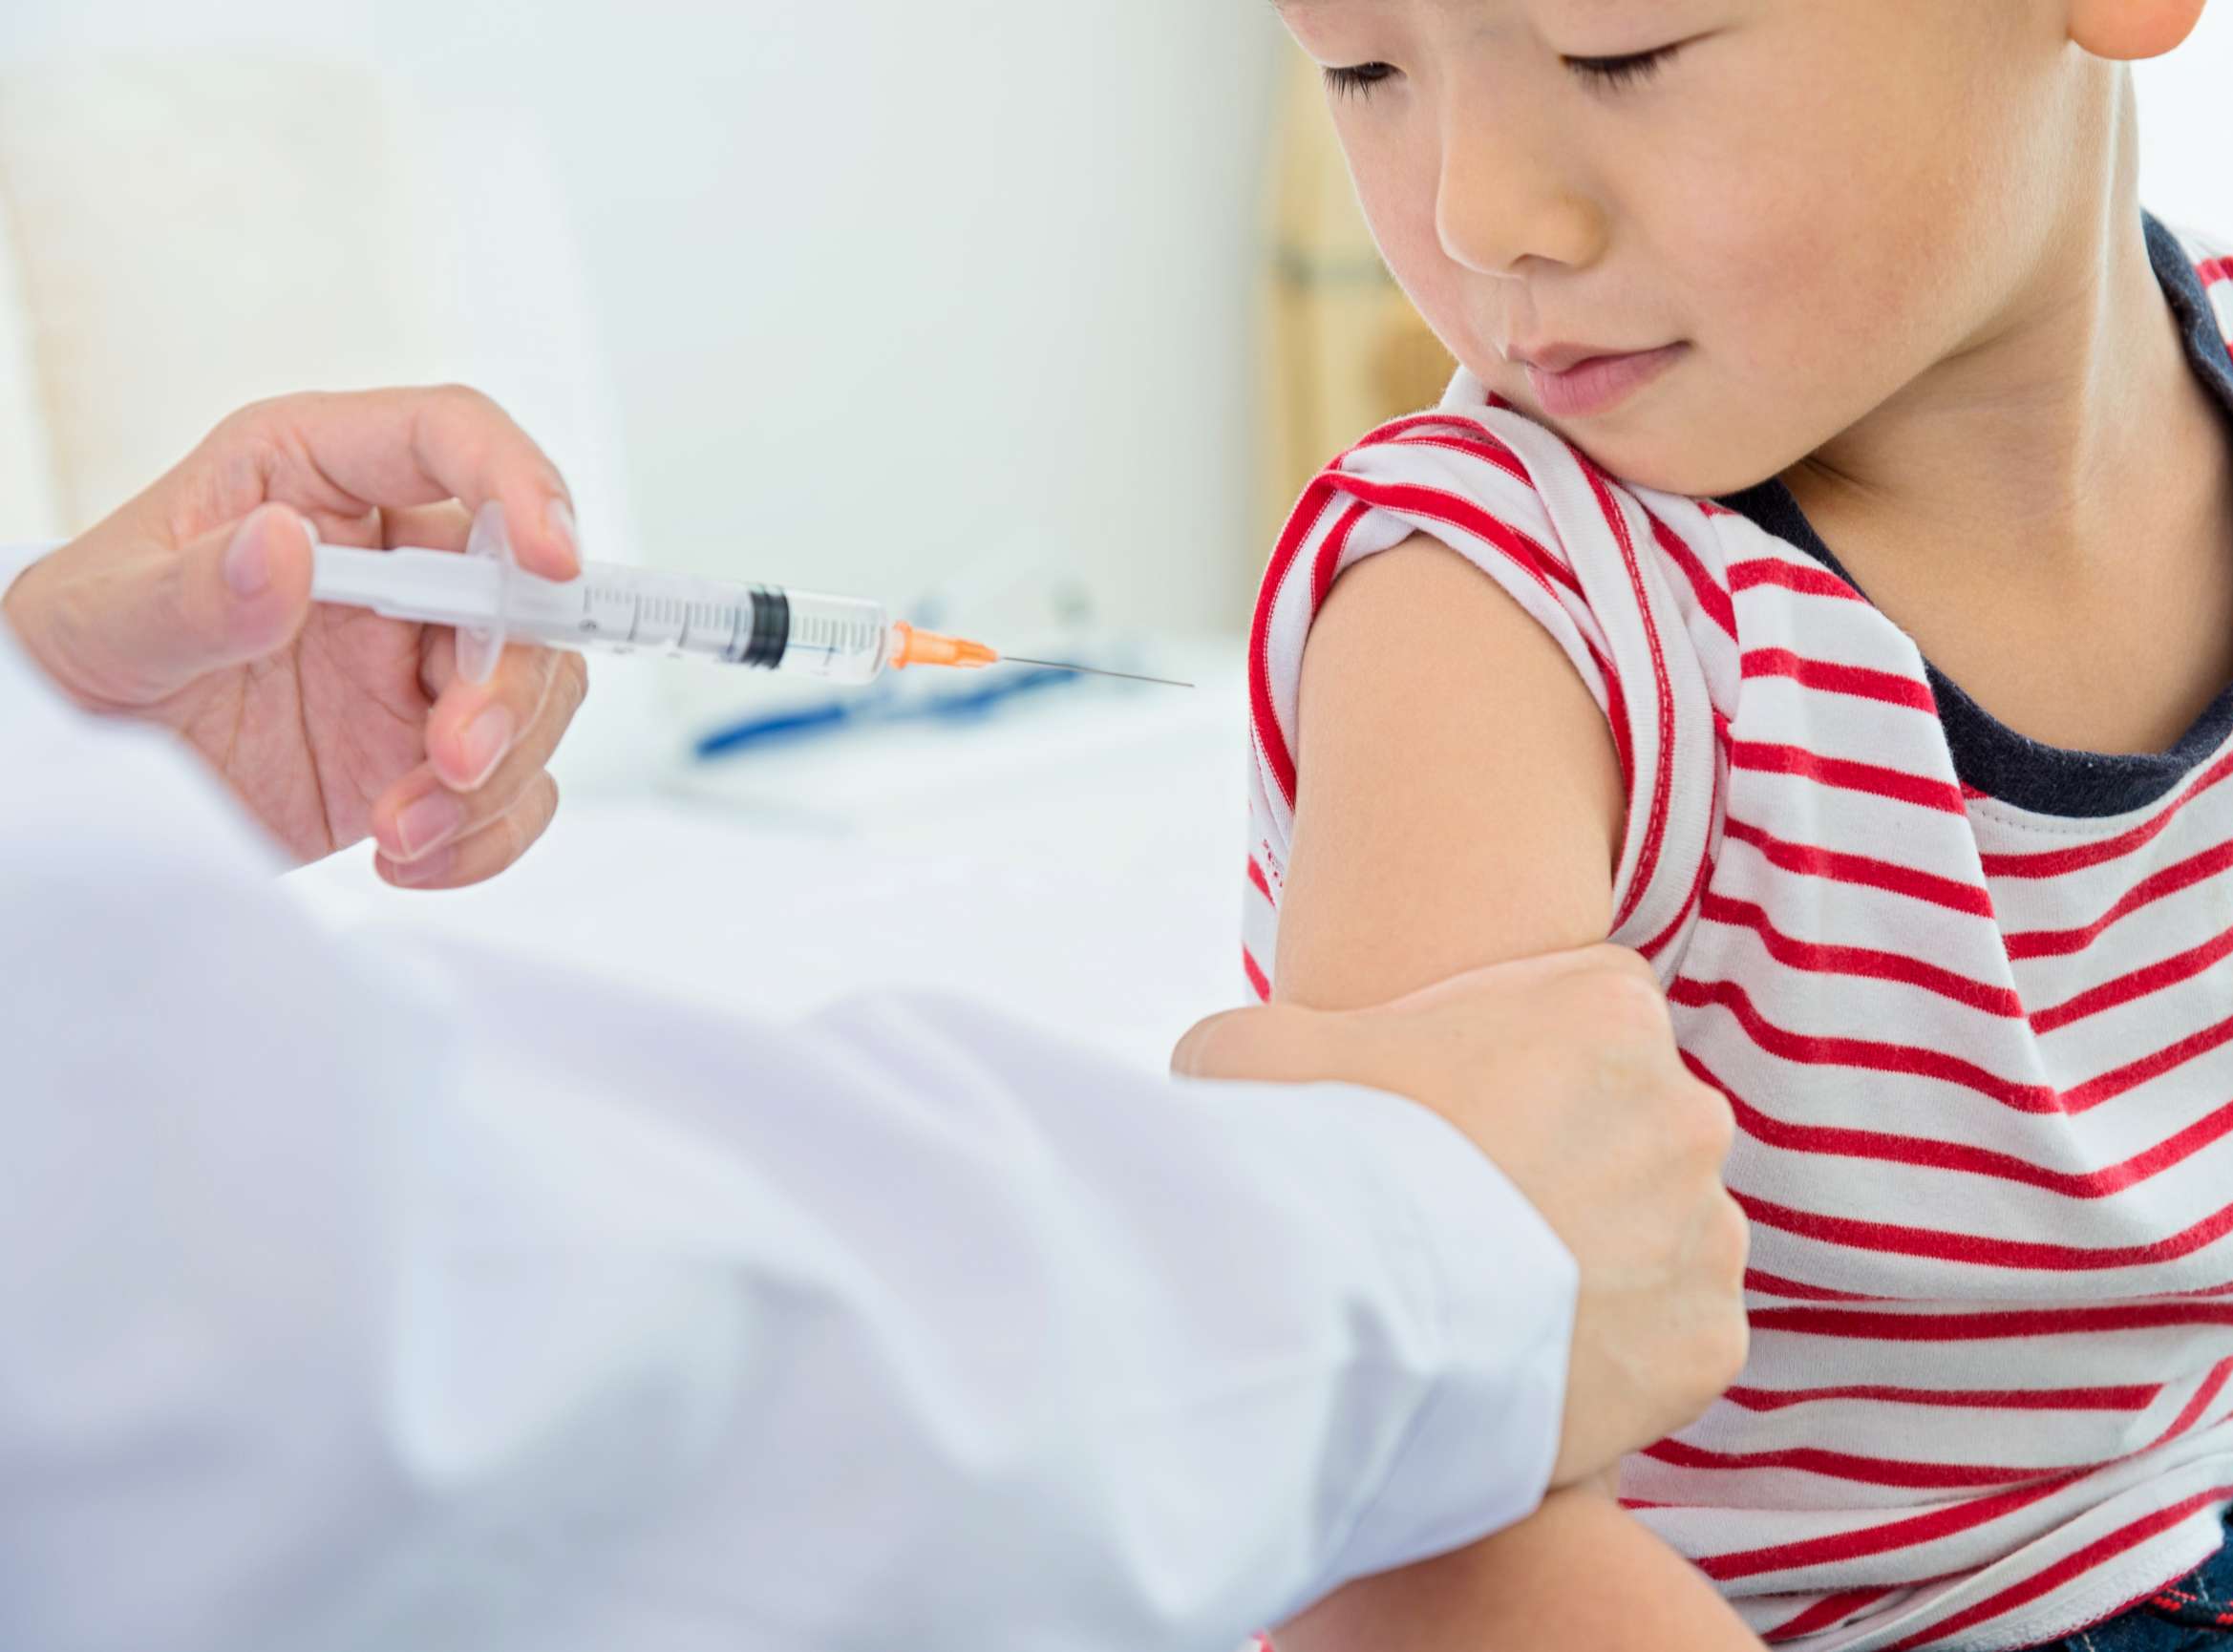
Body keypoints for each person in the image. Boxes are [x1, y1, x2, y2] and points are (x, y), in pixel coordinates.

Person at [0, 386, 1752, 1652]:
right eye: (1362, 73)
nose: (1472, 217)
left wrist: (68, 726)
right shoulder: (1476, 570)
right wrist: (1416, 1252)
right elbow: (404, 1362)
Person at [1231, 0, 2233, 1648]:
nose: (1477, 211)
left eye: (1623, 50)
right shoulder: (1506, 608)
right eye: (1363, 69)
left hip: (2214, 1560)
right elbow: (1402, 1531)